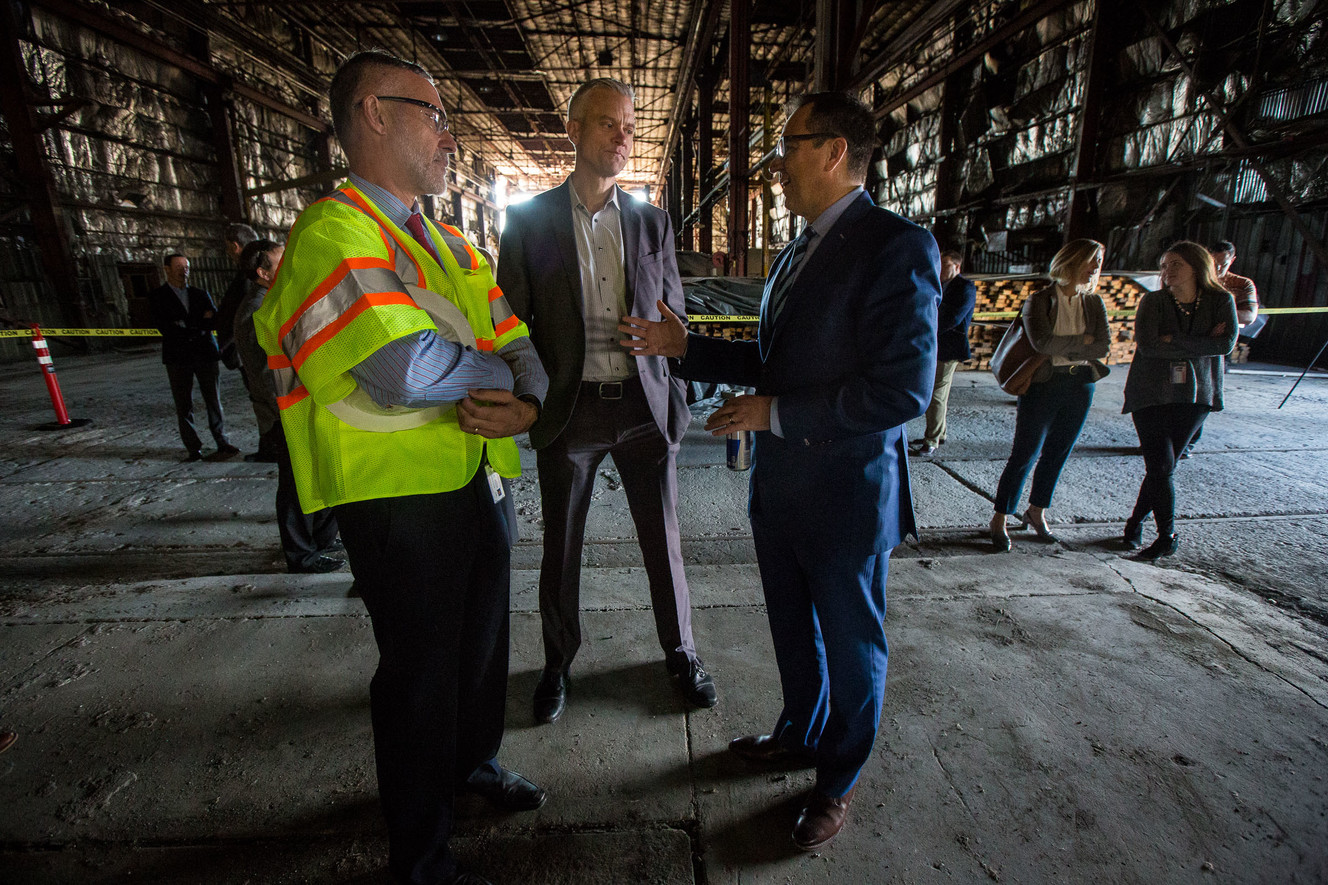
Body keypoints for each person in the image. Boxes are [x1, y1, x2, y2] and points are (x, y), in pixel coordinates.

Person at [254, 49, 549, 885]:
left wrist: (527, 397)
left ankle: (473, 764)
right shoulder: (334, 232)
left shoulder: (446, 242)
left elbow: (519, 339)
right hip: (395, 497)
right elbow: (405, 370)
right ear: (372, 115)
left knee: (483, 645)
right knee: (420, 676)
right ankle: (422, 857)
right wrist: (505, 377)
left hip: (475, 475)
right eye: (430, 111)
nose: (448, 132)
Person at [620, 91, 939, 851]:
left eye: (789, 144)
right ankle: (800, 729)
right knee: (795, 632)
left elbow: (902, 389)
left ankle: (837, 780)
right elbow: (777, 363)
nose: (776, 162)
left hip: (846, 493)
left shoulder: (897, 245)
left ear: (834, 151)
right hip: (783, 489)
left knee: (853, 643)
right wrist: (683, 346)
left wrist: (774, 415)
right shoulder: (799, 249)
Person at [496, 77, 715, 725]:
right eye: (606, 124)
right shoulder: (529, 222)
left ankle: (681, 652)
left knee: (664, 539)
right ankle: (558, 663)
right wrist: (530, 400)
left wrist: (674, 398)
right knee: (560, 546)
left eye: (629, 126)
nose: (622, 136)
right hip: (571, 412)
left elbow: (673, 313)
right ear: (572, 130)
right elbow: (512, 329)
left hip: (643, 411)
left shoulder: (651, 221)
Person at [989, 239, 1110, 551]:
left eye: (1098, 261)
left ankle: (1037, 511)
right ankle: (1000, 517)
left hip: (1081, 384)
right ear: (1071, 261)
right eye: (1091, 260)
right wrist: (1081, 341)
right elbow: (1042, 343)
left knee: (1058, 452)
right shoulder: (1039, 300)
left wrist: (1070, 343)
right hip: (1044, 383)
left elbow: (1102, 347)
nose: (1096, 267)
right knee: (1025, 453)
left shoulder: (1094, 303)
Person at [233, 239, 343, 575]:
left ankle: (323, 539)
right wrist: (291, 412)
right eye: (282, 262)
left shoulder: (274, 301)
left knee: (322, 472)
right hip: (285, 412)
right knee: (296, 484)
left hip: (302, 404)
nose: (290, 265)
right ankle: (300, 553)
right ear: (263, 273)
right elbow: (266, 376)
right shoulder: (256, 311)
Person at [1122, 242, 1237, 560]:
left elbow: (1225, 344)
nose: (1167, 271)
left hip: (1196, 394)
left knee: (1163, 467)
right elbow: (1149, 346)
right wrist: (1202, 343)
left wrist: (1174, 339)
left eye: (1176, 264)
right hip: (1151, 392)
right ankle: (1166, 536)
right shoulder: (1153, 301)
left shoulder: (1220, 300)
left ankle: (1134, 524)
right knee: (1160, 464)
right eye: (1165, 265)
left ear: (1197, 267)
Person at [147, 253, 240, 462]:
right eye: (179, 266)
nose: (184, 270)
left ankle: (222, 441)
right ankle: (193, 447)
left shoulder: (200, 293)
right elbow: (165, 327)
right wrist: (198, 324)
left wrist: (185, 324)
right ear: (167, 269)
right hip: (178, 357)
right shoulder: (157, 297)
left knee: (214, 400)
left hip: (205, 354)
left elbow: (213, 320)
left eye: (187, 267)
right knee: (183, 404)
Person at [911, 248, 976, 456]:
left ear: (957, 266)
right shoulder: (939, 285)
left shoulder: (965, 288)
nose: (940, 268)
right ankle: (940, 433)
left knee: (936, 393)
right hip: (937, 346)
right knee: (941, 392)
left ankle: (931, 441)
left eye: (945, 264)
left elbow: (952, 319)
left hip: (949, 348)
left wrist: (925, 325)